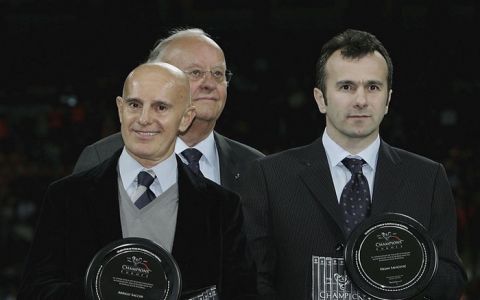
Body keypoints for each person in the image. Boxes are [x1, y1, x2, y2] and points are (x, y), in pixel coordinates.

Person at [242, 29, 467, 299]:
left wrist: (412, 268)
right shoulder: (270, 176)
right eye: (346, 87)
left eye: (373, 87)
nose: (361, 100)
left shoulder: (428, 178)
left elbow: (452, 278)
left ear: (388, 100)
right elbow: (253, 279)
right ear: (320, 99)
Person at [17, 62, 257, 299]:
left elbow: (242, 294)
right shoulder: (65, 197)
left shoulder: (221, 206)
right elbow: (34, 291)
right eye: (134, 104)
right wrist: (100, 292)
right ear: (120, 109)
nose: (144, 119)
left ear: (185, 118)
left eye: (161, 107)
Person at [73, 28, 264, 195]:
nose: (209, 84)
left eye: (218, 74)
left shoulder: (255, 166)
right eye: (195, 73)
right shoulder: (101, 157)